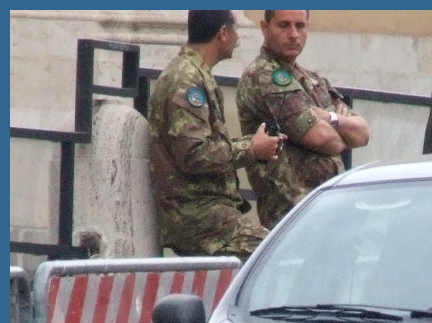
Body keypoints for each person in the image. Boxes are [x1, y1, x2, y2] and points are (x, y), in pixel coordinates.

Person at [148, 10, 284, 259]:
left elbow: (202, 145)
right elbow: (194, 155)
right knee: (277, 254)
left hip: (211, 216)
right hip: (199, 219)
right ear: (223, 33)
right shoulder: (185, 81)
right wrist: (251, 149)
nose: (238, 38)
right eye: (236, 30)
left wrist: (254, 143)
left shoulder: (195, 75)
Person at [236, 10, 370, 228]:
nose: (293, 34)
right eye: (284, 26)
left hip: (328, 206)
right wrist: (342, 133)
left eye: (300, 26)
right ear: (264, 28)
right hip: (292, 213)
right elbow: (322, 139)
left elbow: (363, 133)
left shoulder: (312, 79)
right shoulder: (264, 76)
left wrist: (329, 117)